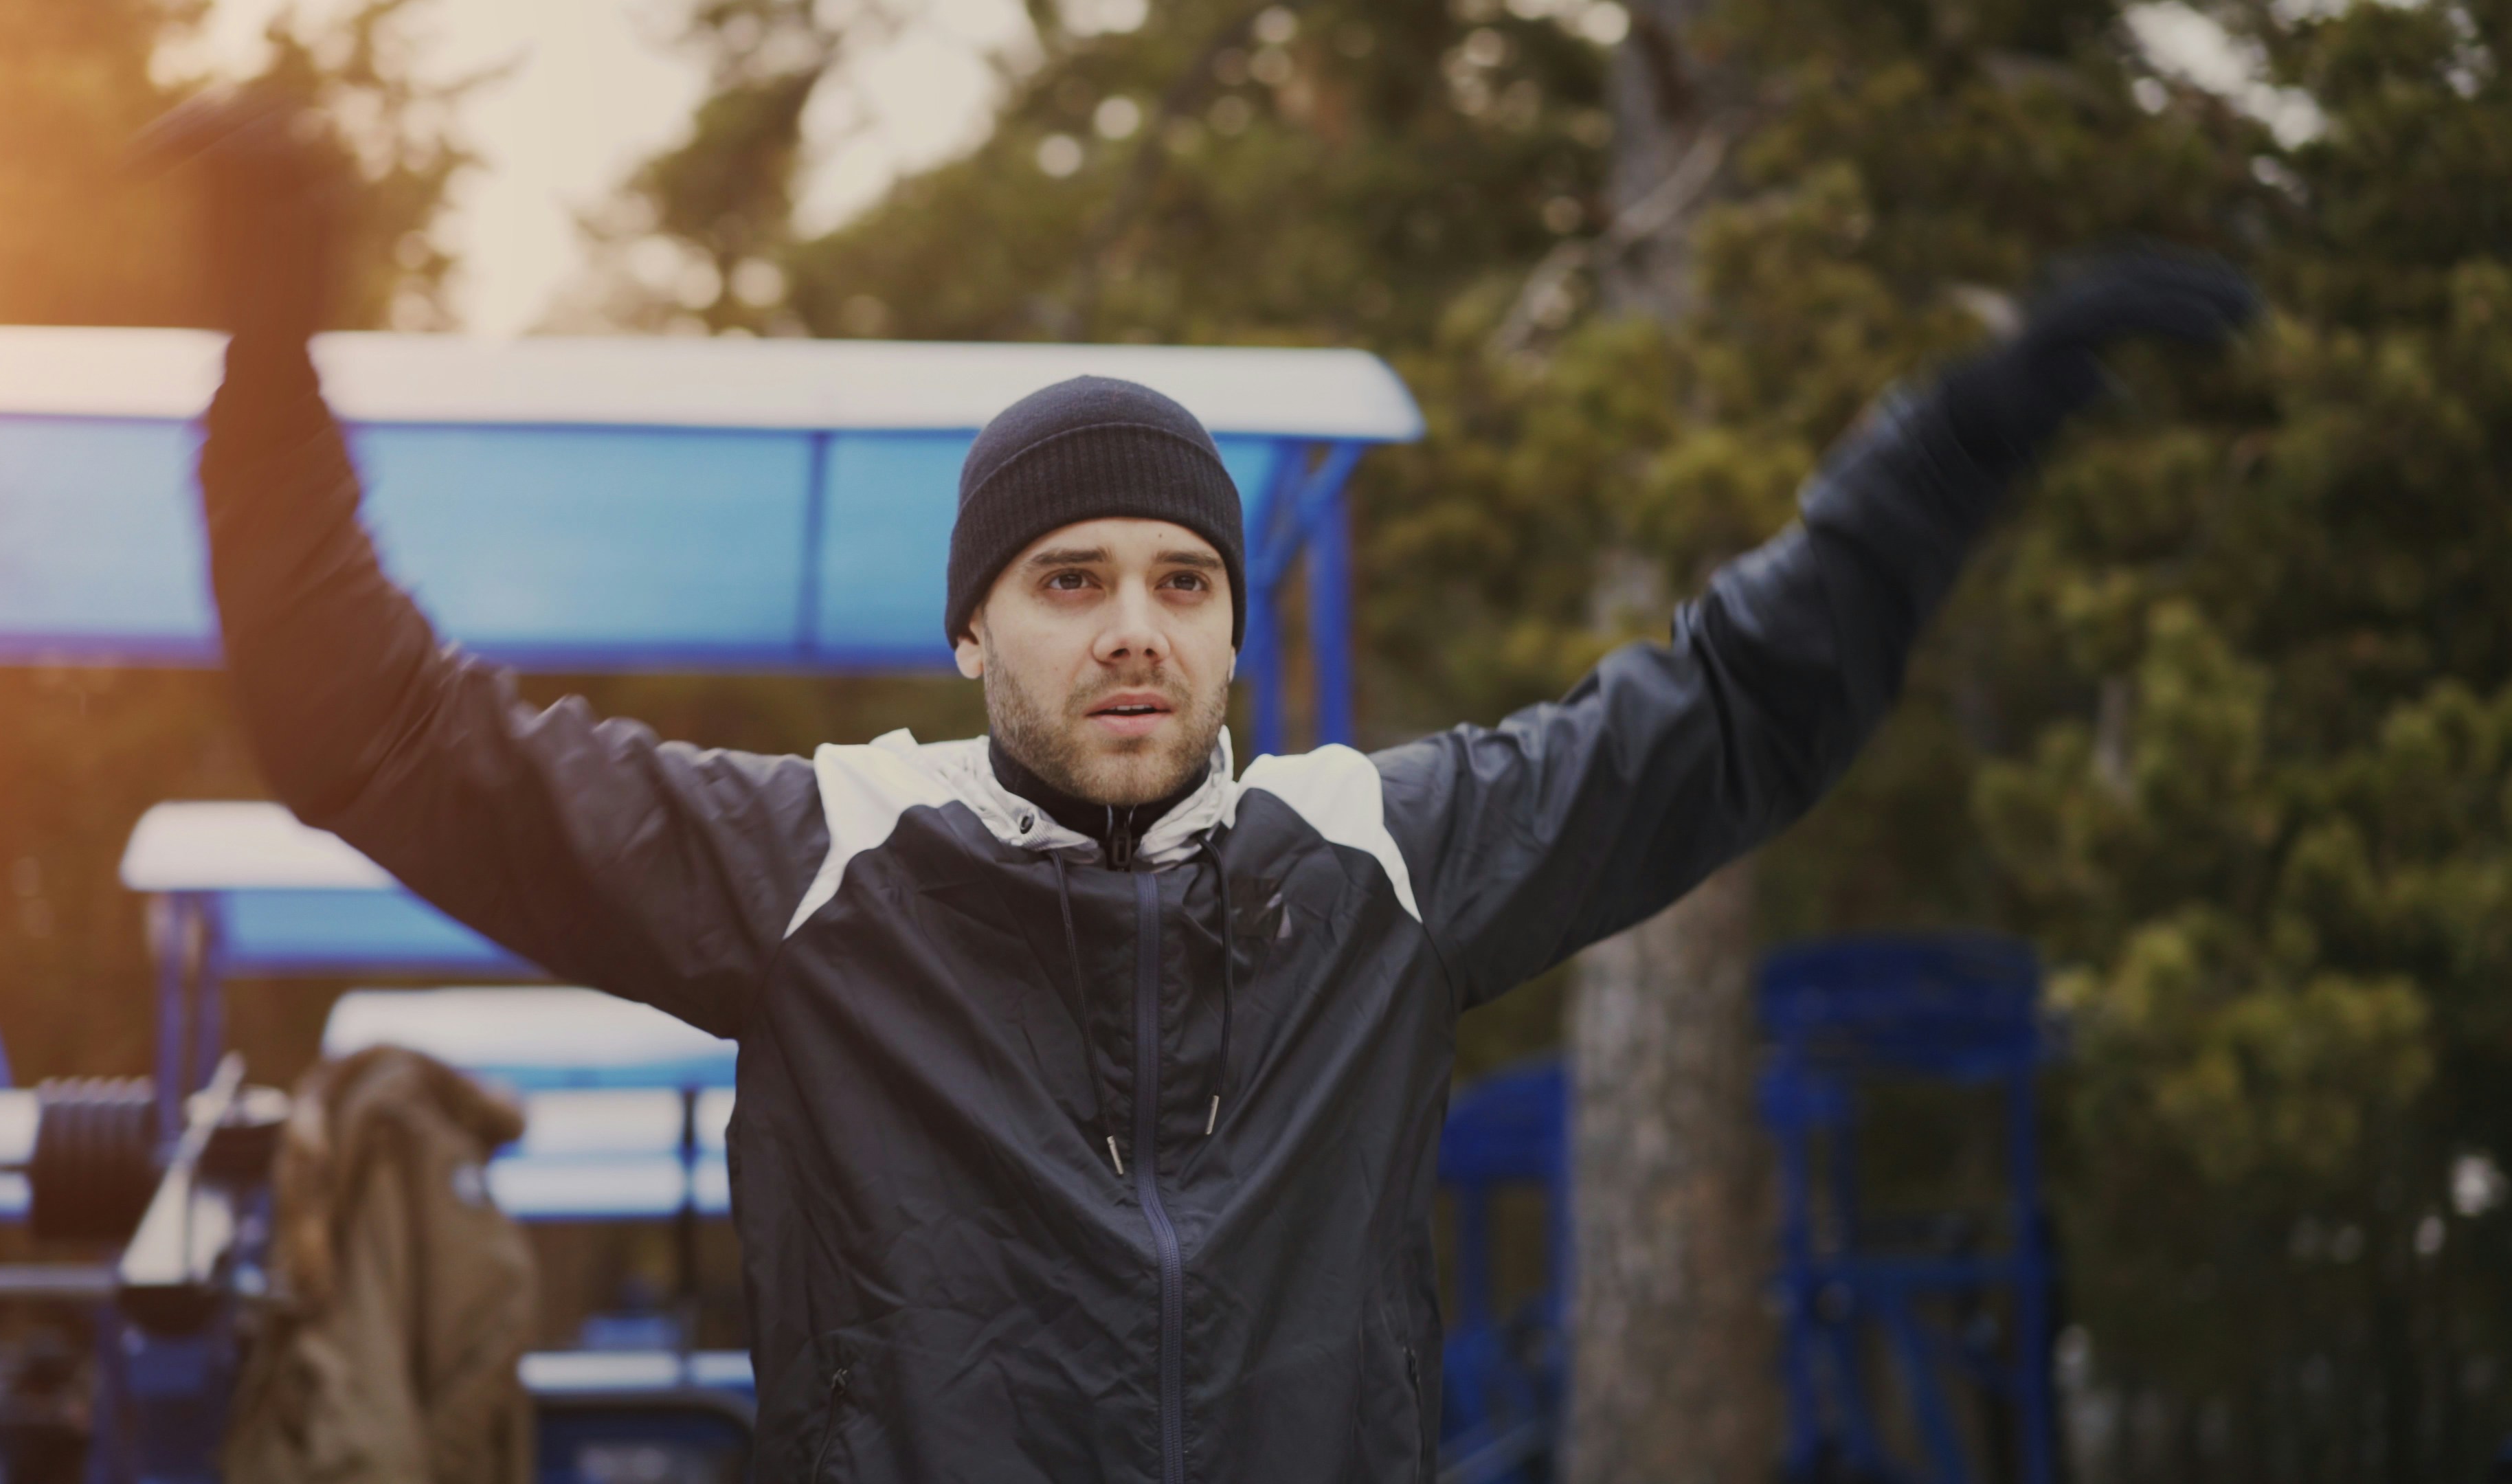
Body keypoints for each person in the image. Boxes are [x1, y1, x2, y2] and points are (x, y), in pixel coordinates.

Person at [164, 94, 2256, 1483]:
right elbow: (380, 733)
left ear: (1238, 634)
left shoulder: (1381, 871)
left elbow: (1731, 715)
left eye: (1183, 579)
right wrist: (270, 349)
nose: (1135, 626)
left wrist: (1955, 442)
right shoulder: (815, 877)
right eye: (1068, 583)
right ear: (973, 634)